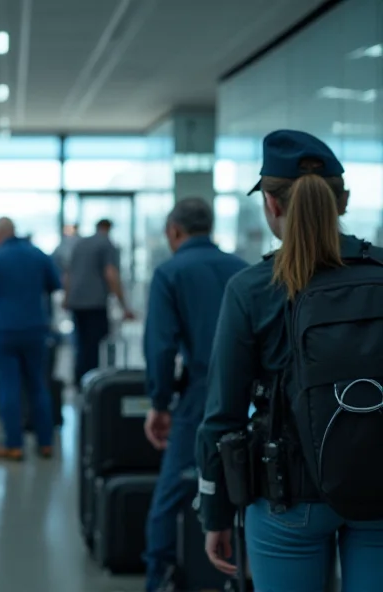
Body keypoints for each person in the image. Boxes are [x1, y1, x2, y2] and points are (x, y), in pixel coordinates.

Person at [196, 130, 383, 592]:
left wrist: (215, 511)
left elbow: (223, 414)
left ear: (273, 206)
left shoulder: (250, 288)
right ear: (343, 201)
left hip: (287, 498)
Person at [141, 198, 247, 592]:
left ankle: (160, 577)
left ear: (174, 231)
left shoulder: (170, 272)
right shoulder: (244, 269)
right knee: (244, 486)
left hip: (201, 394)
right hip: (249, 394)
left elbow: (161, 347)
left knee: (173, 489)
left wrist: (159, 403)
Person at [0, 218, 62, 460]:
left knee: (9, 385)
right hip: (36, 329)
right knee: (38, 385)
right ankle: (45, 443)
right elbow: (55, 284)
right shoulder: (38, 255)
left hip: (4, 330)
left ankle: (15, 444)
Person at [65, 218, 136, 385]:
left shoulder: (80, 244)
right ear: (108, 228)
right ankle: (93, 383)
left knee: (81, 345)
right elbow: (110, 273)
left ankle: (80, 382)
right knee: (95, 345)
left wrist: (67, 298)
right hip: (94, 303)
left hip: (77, 302)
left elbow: (68, 274)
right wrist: (124, 305)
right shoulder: (106, 244)